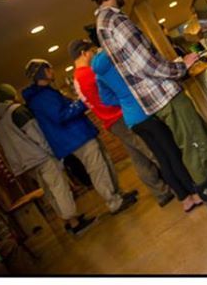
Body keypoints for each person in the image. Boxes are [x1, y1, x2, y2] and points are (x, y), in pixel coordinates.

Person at [89, 0, 207, 221]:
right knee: (195, 142)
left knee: (197, 138)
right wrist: (180, 66)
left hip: (152, 98)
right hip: (162, 93)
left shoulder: (102, 25)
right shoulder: (116, 21)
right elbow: (146, 64)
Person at [90, 37, 204, 213]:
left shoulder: (98, 72)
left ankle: (184, 199)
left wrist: (124, 100)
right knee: (173, 152)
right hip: (148, 109)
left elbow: (105, 99)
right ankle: (194, 193)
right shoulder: (119, 56)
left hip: (132, 119)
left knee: (161, 157)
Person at [22, 59, 137, 215]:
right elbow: (61, 116)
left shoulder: (46, 93)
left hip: (78, 134)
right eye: (48, 69)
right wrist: (82, 102)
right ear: (41, 72)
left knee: (103, 164)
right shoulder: (41, 97)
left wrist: (76, 103)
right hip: (75, 138)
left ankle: (118, 194)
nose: (52, 71)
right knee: (97, 169)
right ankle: (114, 202)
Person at [69, 39, 174, 207]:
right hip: (119, 116)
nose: (94, 54)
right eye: (92, 51)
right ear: (84, 53)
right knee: (150, 149)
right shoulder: (89, 73)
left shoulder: (77, 78)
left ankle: (161, 192)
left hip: (110, 122)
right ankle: (177, 184)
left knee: (138, 156)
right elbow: (109, 95)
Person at [0, 85, 96, 235]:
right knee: (59, 188)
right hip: (39, 156)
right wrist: (52, 151)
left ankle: (67, 220)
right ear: (11, 94)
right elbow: (36, 134)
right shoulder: (17, 111)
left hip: (23, 164)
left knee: (49, 192)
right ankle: (74, 222)